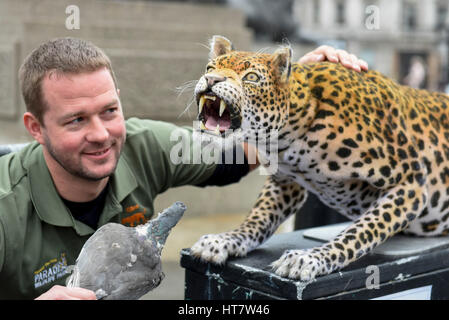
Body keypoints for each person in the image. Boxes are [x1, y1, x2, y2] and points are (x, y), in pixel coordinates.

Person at [0, 37, 367, 300]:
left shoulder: (145, 145)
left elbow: (241, 154)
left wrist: (287, 92)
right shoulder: (5, 207)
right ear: (35, 128)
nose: (101, 135)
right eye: (76, 120)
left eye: (109, 111)